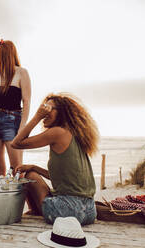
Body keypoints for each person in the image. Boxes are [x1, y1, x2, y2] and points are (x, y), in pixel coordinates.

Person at [10, 93, 99, 225]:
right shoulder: (76, 134)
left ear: (61, 113)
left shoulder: (57, 132)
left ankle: (35, 211)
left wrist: (37, 117)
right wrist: (35, 167)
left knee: (28, 176)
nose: (44, 111)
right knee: (33, 172)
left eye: (49, 108)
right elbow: (63, 179)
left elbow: (16, 143)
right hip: (90, 211)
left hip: (68, 211)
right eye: (43, 108)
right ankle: (38, 210)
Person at [0, 39, 31, 176]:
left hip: (13, 122)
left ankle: (22, 198)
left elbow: (26, 101)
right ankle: (3, 197)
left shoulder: (22, 72)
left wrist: (22, 128)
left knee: (17, 170)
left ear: (4, 52)